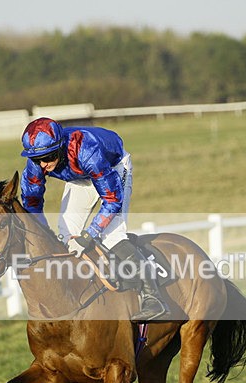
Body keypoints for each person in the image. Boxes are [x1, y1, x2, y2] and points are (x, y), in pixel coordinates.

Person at [19, 117, 169, 322]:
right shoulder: (37, 163)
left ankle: (153, 296)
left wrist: (89, 235)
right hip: (80, 176)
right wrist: (43, 234)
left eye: (48, 157)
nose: (43, 165)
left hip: (112, 167)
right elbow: (32, 203)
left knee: (111, 234)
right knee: (65, 233)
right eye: (38, 160)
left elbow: (112, 201)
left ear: (60, 147)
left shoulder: (86, 149)